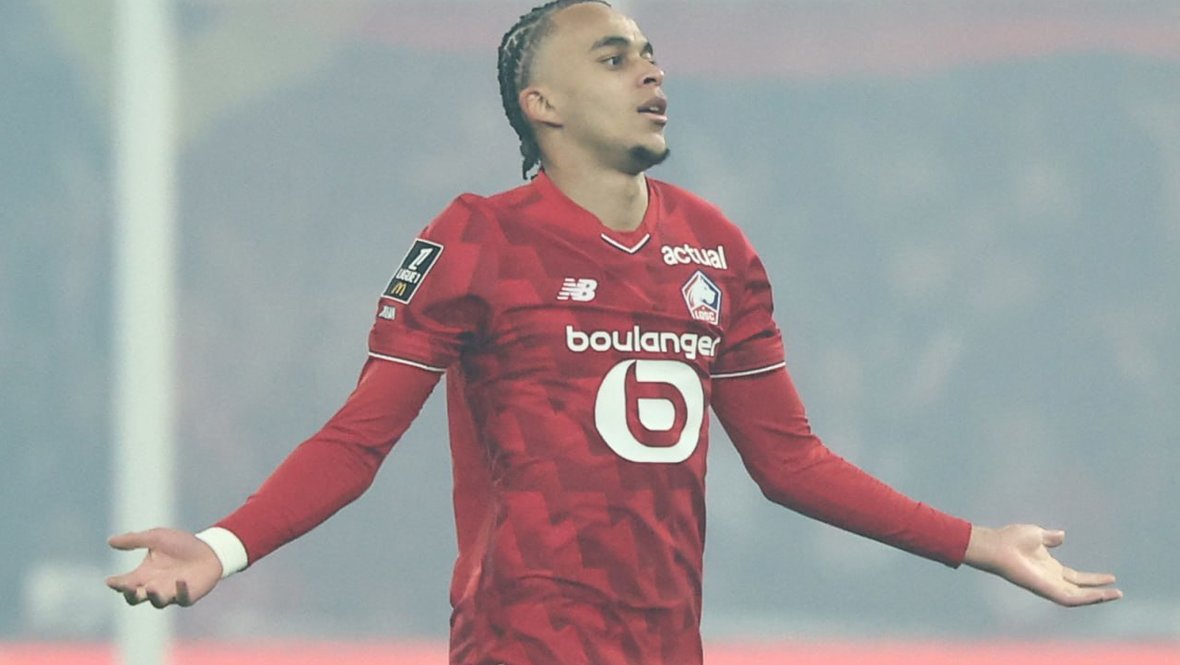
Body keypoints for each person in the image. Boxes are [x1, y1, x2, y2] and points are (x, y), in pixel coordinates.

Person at [106, 1, 1122, 663]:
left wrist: (978, 543)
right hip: (524, 643)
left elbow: (791, 462)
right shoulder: (478, 237)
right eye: (614, 55)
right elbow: (357, 438)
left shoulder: (716, 246)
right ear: (540, 103)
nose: (649, 71)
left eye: (649, 53)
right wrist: (223, 547)